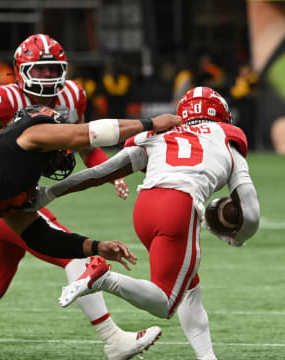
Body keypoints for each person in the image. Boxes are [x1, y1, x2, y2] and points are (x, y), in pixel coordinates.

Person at [0, 33, 160, 359]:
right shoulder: (7, 98)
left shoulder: (72, 95)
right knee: (74, 256)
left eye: (52, 69)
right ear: (19, 70)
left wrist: (111, 174)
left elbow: (83, 141)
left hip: (10, 195)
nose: (46, 76)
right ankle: (113, 340)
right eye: (38, 70)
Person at [25, 87, 261, 360]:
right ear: (222, 115)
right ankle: (105, 278)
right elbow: (251, 214)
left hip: (146, 209)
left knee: (189, 286)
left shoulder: (160, 134)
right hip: (178, 208)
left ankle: (207, 357)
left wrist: (49, 193)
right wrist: (237, 237)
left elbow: (99, 173)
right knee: (166, 303)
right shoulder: (226, 136)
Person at [0, 103, 181, 338]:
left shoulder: (20, 185)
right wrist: (149, 124)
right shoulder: (28, 134)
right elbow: (85, 134)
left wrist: (95, 246)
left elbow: (39, 236)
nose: (62, 147)